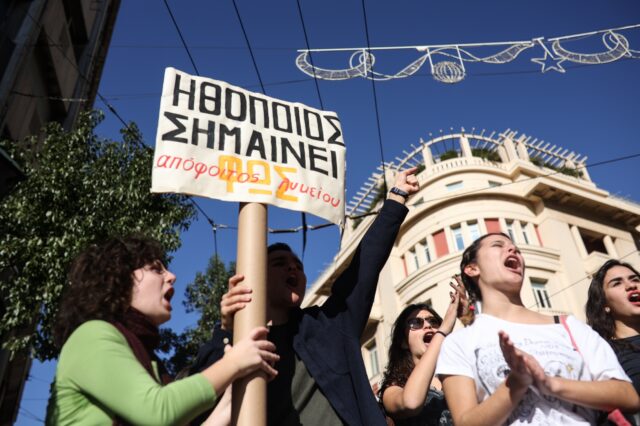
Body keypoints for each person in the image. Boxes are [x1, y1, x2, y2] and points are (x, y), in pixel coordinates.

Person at [190, 168, 420, 426]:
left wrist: (396, 199)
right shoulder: (235, 343)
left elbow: (364, 268)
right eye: (279, 263)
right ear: (256, 274)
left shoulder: (330, 325)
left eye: (298, 266)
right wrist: (225, 330)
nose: (293, 268)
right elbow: (198, 403)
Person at [46, 235, 278, 425]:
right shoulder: (91, 336)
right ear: (118, 278)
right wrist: (234, 363)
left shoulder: (151, 361)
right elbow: (158, 412)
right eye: (156, 269)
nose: (172, 276)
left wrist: (230, 397)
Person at [435, 232, 639, 426]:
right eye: (498, 245)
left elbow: (627, 395)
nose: (513, 250)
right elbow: (465, 422)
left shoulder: (569, 326)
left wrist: (550, 383)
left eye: (516, 249)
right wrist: (515, 384)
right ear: (472, 269)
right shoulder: (458, 343)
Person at [378, 278, 467, 426]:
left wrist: (467, 317)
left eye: (434, 322)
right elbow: (410, 403)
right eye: (416, 323)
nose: (428, 326)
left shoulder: (457, 373)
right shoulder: (393, 388)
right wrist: (442, 331)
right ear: (404, 342)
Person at [586, 259, 640, 424]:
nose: (631, 286)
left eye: (635, 279)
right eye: (616, 283)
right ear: (605, 304)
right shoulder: (601, 355)